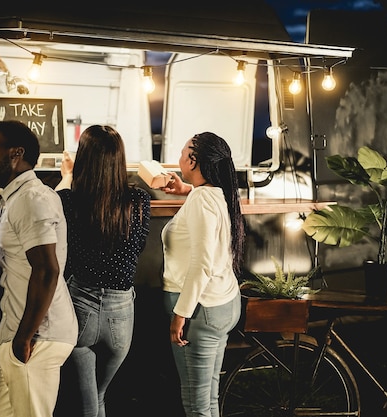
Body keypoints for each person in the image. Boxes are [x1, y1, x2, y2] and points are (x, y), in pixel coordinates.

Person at [0, 120, 78, 417]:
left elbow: (47, 270)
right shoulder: (15, 196)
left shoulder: (32, 199)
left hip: (37, 338)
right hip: (17, 336)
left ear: (15, 154)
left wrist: (25, 337)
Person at [55, 125, 151, 417]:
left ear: (84, 158)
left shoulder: (69, 199)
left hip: (79, 307)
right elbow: (138, 246)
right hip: (121, 314)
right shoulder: (138, 201)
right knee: (98, 396)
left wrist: (67, 177)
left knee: (86, 403)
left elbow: (51, 211)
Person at [160, 132, 245, 417]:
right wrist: (186, 189)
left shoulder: (202, 201)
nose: (179, 157)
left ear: (193, 160)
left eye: (183, 152)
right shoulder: (217, 192)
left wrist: (180, 314)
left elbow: (202, 263)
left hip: (201, 311)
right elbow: (204, 203)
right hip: (222, 303)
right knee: (208, 398)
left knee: (196, 405)